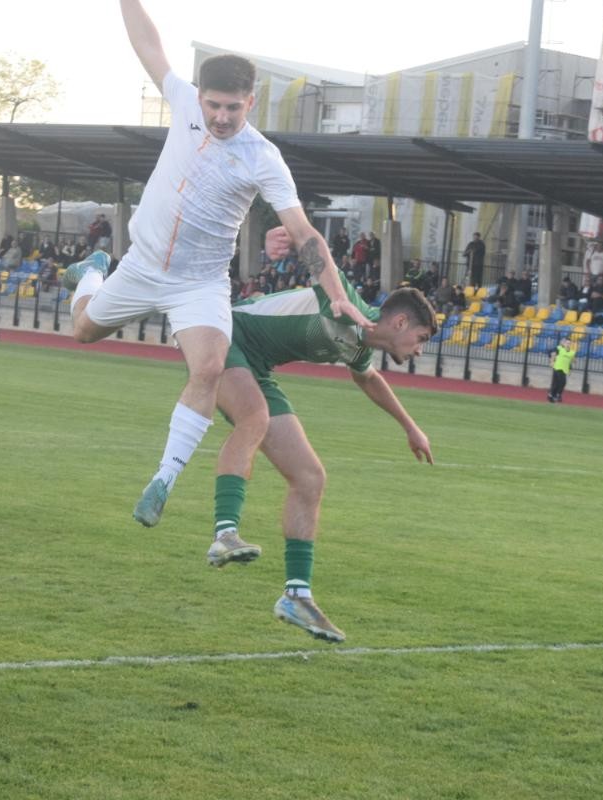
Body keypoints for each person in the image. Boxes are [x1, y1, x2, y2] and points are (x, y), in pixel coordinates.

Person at [60, 0, 372, 530]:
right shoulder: (182, 99)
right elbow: (148, 44)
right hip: (140, 265)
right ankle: (92, 270)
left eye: (233, 107)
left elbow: (304, 233)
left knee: (208, 367)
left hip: (199, 283)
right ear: (199, 96)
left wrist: (336, 291)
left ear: (251, 101)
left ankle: (163, 481)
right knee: (84, 330)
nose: (222, 117)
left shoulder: (262, 158)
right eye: (213, 105)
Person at [207, 277, 436, 642]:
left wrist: (411, 427)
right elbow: (319, 265)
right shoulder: (344, 302)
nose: (420, 350)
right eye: (421, 338)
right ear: (400, 322)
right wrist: (300, 239)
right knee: (254, 418)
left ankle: (297, 596)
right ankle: (225, 535)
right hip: (223, 336)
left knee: (311, 477)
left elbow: (368, 379)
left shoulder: (359, 345)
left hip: (256, 368)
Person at [547, 338, 576, 403]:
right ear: (564, 343)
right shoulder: (559, 348)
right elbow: (552, 353)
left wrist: (571, 368)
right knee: (562, 382)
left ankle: (551, 395)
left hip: (565, 370)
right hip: (558, 368)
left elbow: (572, 361)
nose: (568, 344)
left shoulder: (571, 352)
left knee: (556, 383)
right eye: (567, 343)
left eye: (569, 343)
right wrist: (551, 362)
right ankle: (558, 395)